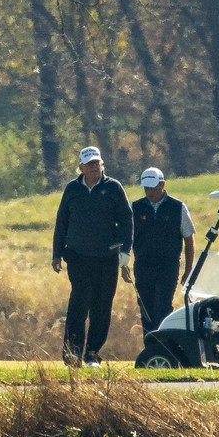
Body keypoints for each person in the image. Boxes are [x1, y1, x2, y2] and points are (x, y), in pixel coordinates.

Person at [51, 146, 133, 367]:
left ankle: (92, 355)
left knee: (102, 306)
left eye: (97, 163)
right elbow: (62, 222)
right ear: (81, 167)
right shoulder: (72, 190)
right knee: (79, 302)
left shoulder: (113, 188)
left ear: (102, 165)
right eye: (89, 164)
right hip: (77, 256)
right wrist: (56, 253)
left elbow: (126, 220)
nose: (94, 167)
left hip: (107, 257)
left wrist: (126, 251)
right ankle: (72, 354)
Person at [130, 167, 196, 337]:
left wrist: (189, 269)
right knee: (146, 309)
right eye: (146, 188)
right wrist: (124, 264)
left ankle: (165, 346)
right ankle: (151, 347)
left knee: (163, 308)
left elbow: (189, 240)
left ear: (162, 184)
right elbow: (126, 237)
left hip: (168, 267)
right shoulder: (135, 208)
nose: (149, 191)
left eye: (153, 187)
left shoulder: (178, 207)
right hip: (143, 266)